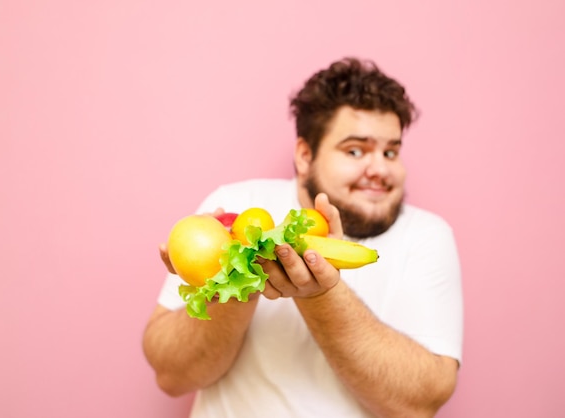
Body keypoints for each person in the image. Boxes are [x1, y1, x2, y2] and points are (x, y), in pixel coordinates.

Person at [142, 57, 464, 418]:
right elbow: (170, 376)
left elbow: (421, 403)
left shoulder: (427, 236)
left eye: (391, 151)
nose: (380, 169)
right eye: (356, 150)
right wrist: (236, 279)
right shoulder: (233, 208)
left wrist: (321, 293)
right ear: (305, 156)